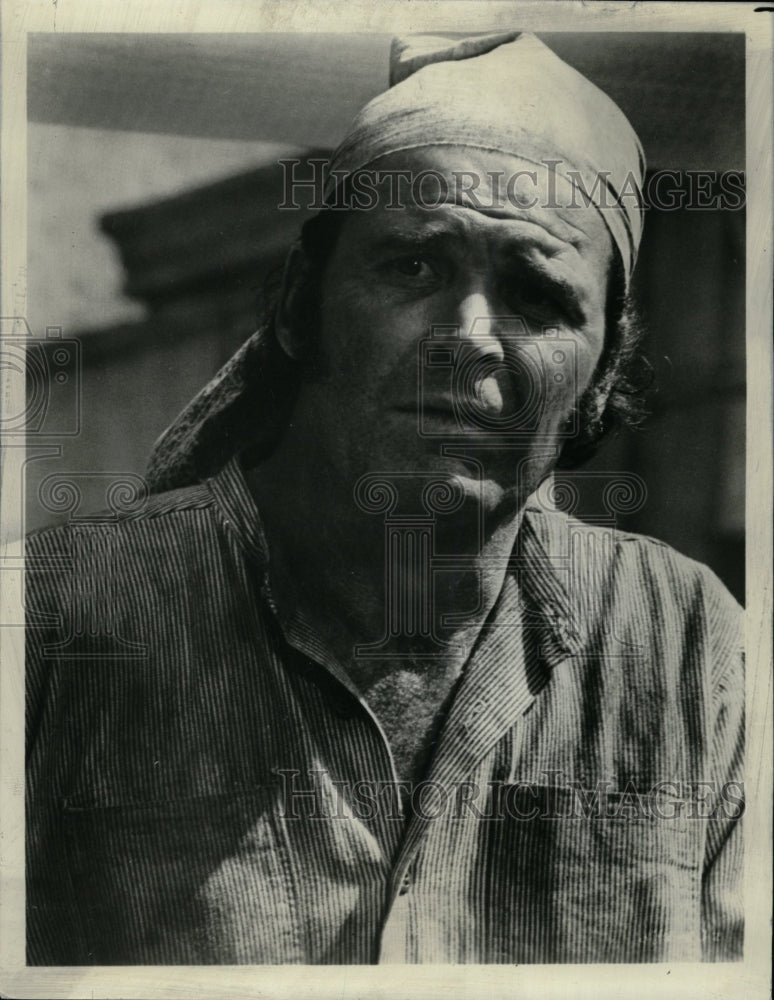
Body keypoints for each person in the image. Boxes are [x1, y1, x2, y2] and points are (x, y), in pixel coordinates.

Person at [25, 31, 743, 965]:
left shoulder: (694, 649)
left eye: (537, 294)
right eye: (413, 266)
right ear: (298, 306)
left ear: (602, 378)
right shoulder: (58, 625)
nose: (470, 338)